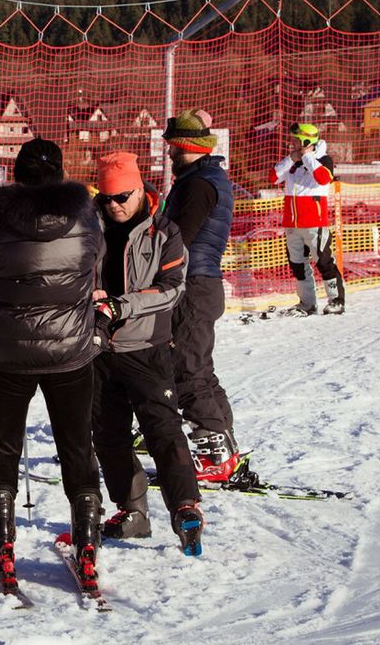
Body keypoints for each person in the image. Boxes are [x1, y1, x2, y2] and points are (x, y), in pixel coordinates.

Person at [0, 138, 104, 583]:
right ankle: (88, 540)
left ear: (18, 174)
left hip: (8, 354)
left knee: (3, 445)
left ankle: (2, 540)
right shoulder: (86, 218)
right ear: (59, 172)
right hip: (72, 352)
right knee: (76, 446)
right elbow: (96, 262)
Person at [90, 152, 204, 556]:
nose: (115, 205)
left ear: (140, 189)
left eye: (122, 196)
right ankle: (132, 511)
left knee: (163, 430)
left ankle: (185, 506)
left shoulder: (164, 231)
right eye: (106, 198)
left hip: (148, 347)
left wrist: (124, 304)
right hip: (99, 349)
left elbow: (174, 286)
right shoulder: (89, 228)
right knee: (107, 435)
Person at [160, 109, 240, 482]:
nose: (168, 155)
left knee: (188, 370)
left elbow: (179, 237)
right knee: (200, 370)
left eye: (172, 148)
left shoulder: (198, 184)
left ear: (182, 146)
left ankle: (214, 455)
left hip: (193, 284)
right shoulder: (209, 176)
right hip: (203, 283)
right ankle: (224, 445)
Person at [271, 123, 345, 316]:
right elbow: (273, 177)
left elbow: (323, 178)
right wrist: (291, 159)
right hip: (292, 223)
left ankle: (336, 300)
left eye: (295, 140)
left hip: (314, 223)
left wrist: (308, 157)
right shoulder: (292, 161)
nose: (292, 143)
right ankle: (307, 303)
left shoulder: (323, 160)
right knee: (297, 264)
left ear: (306, 141)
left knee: (324, 262)